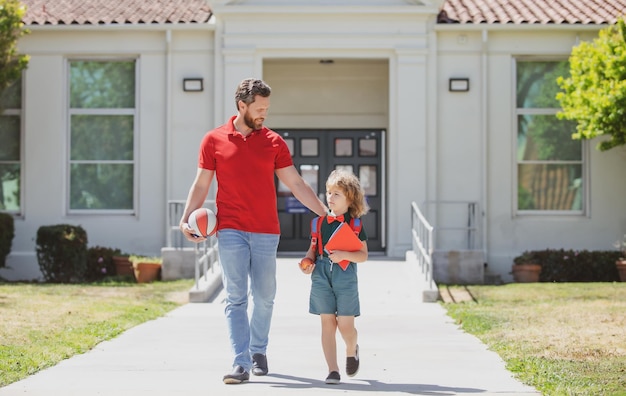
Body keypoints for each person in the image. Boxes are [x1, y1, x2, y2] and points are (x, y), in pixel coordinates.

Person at [179, 78, 328, 385]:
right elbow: (202, 184)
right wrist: (185, 219)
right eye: (259, 108)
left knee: (264, 296)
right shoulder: (214, 140)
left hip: (265, 230)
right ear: (241, 106)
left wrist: (324, 214)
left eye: (267, 108)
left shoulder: (273, 142)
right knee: (235, 297)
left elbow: (296, 183)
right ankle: (240, 362)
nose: (264, 114)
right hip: (230, 228)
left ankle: (258, 350)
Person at [299, 169, 369, 385]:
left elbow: (363, 256)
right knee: (327, 323)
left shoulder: (355, 225)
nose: (330, 197)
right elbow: (312, 249)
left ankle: (351, 349)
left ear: (350, 197)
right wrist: (307, 262)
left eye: (336, 193)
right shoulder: (318, 223)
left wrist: (345, 255)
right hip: (320, 275)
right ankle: (333, 370)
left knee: (346, 326)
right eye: (329, 192)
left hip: (345, 275)